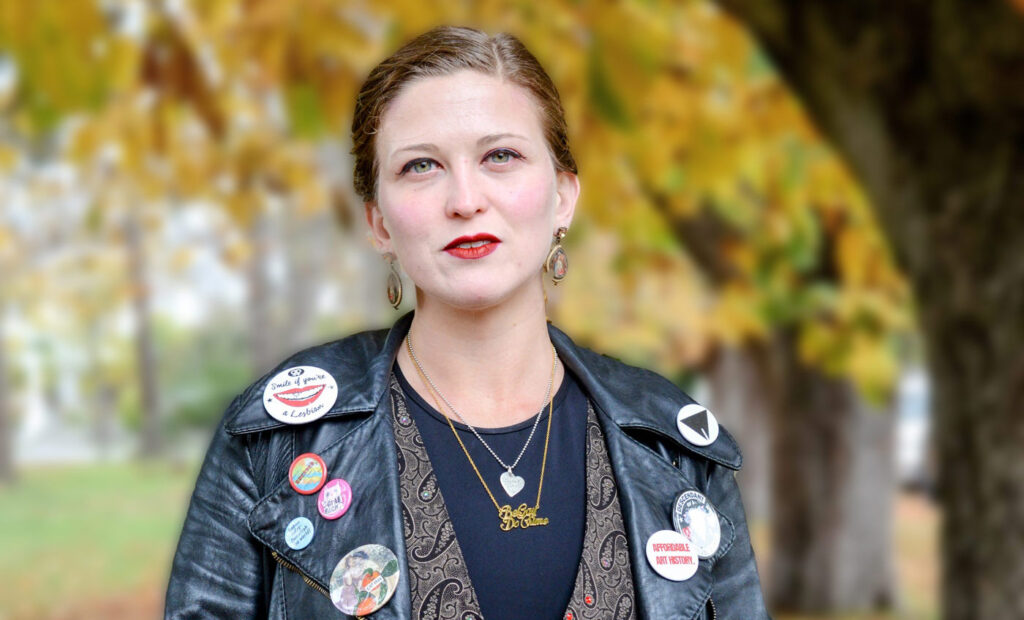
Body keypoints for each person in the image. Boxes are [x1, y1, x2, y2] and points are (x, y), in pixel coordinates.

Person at [165, 25, 770, 620]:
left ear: (562, 196)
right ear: (379, 223)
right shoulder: (275, 440)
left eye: (500, 156)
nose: (465, 198)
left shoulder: (675, 450)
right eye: (421, 166)